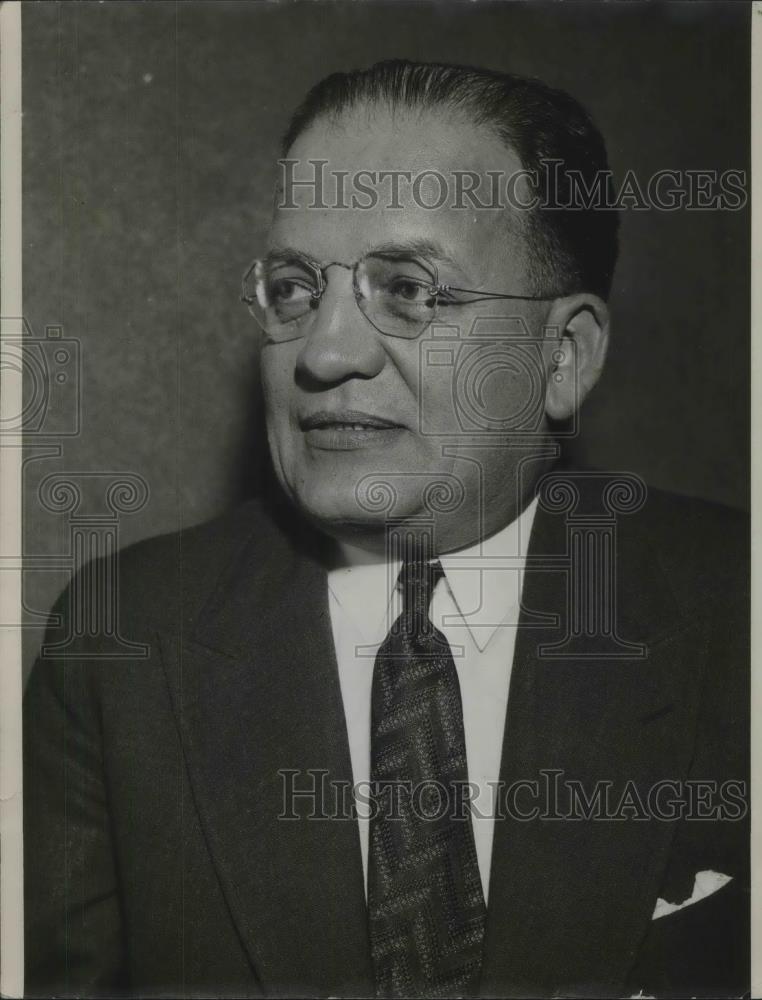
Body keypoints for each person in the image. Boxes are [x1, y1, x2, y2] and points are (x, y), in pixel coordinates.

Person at [24, 60, 749, 998]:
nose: (324, 352)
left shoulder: (739, 614)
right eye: (293, 288)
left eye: (408, 289)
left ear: (562, 358)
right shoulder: (121, 648)